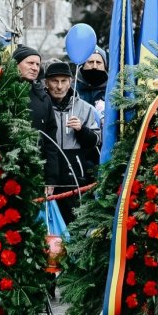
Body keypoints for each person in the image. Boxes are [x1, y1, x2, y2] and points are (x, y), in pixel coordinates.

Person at [42, 60, 101, 225]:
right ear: (46, 83)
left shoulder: (85, 108)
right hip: (47, 176)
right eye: (55, 81)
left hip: (75, 177)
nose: (59, 86)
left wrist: (82, 130)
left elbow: (97, 140)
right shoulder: (41, 106)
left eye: (64, 81)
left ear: (70, 82)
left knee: (74, 224)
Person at [75, 48, 109, 115]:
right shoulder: (72, 89)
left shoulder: (112, 90)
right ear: (83, 65)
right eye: (90, 62)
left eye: (98, 62)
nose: (95, 66)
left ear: (105, 66)